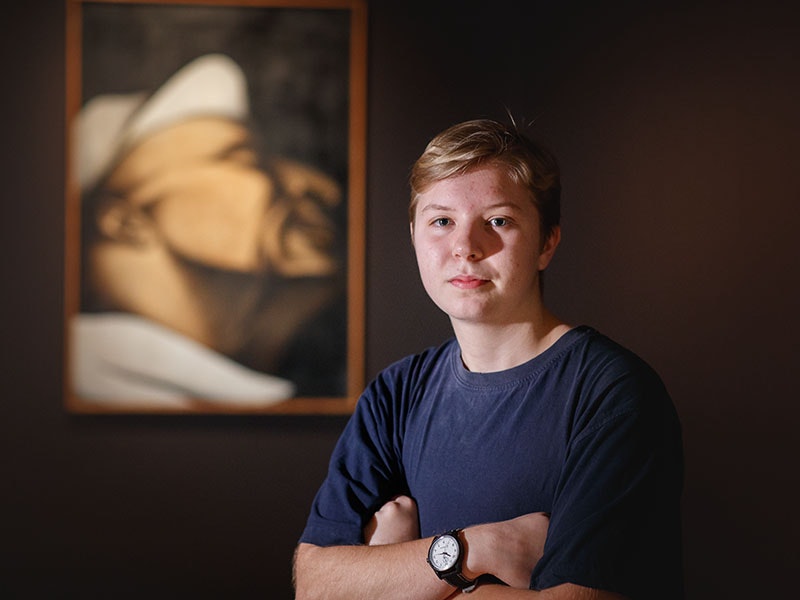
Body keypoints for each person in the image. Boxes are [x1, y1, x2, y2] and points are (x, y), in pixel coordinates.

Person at [293, 118, 684, 598]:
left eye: (498, 221)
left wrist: (397, 573)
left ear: (547, 242)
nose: (465, 248)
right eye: (442, 221)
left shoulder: (612, 395)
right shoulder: (394, 396)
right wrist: (473, 549)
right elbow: (314, 585)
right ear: (414, 235)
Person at [70, 54, 347, 409]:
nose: (318, 187)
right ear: (126, 222)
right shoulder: (104, 382)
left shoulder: (233, 389)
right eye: (242, 157)